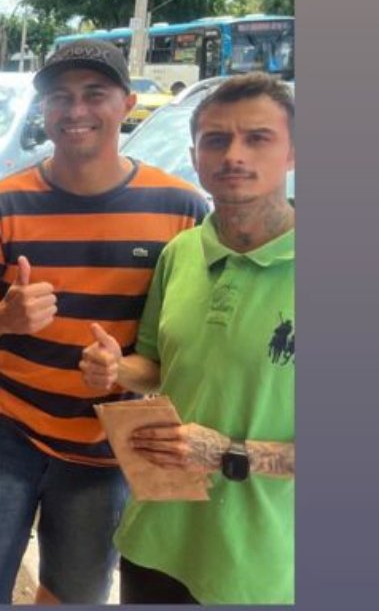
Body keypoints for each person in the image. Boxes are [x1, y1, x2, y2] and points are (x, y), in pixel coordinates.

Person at [0, 39, 209, 604]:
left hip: (105, 446)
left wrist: (122, 372)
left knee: (74, 596)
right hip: (4, 430)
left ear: (128, 103)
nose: (76, 109)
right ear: (44, 109)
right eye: (60, 96)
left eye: (94, 94)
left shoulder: (182, 209)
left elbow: (182, 346)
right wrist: (1, 316)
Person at [80, 73, 295, 604]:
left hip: (261, 569)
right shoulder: (180, 252)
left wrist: (231, 453)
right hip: (154, 541)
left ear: (294, 153)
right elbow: (155, 365)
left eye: (258, 138)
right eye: (216, 140)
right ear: (195, 156)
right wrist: (117, 368)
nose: (234, 155)